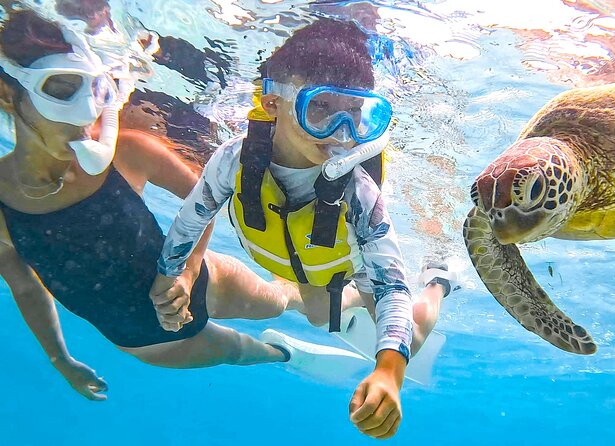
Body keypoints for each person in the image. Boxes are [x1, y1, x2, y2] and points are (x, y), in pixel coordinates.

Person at [152, 18, 453, 439]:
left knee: (412, 334)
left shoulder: (358, 191)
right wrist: (174, 273)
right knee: (316, 318)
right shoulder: (233, 160)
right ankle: (333, 305)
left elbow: (391, 289)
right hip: (305, 264)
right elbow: (192, 218)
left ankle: (439, 279)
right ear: (273, 103)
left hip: (349, 266)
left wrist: (388, 369)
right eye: (321, 109)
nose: (341, 134)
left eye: (354, 114)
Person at [0, 11, 308, 401]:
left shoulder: (128, 151)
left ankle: (336, 299)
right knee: (239, 351)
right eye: (61, 90)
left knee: (277, 302)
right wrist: (61, 360)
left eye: (95, 91)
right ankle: (288, 354)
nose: (85, 113)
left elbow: (208, 195)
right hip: (149, 344)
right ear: (8, 93)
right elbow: (25, 287)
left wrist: (188, 270)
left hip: (207, 284)